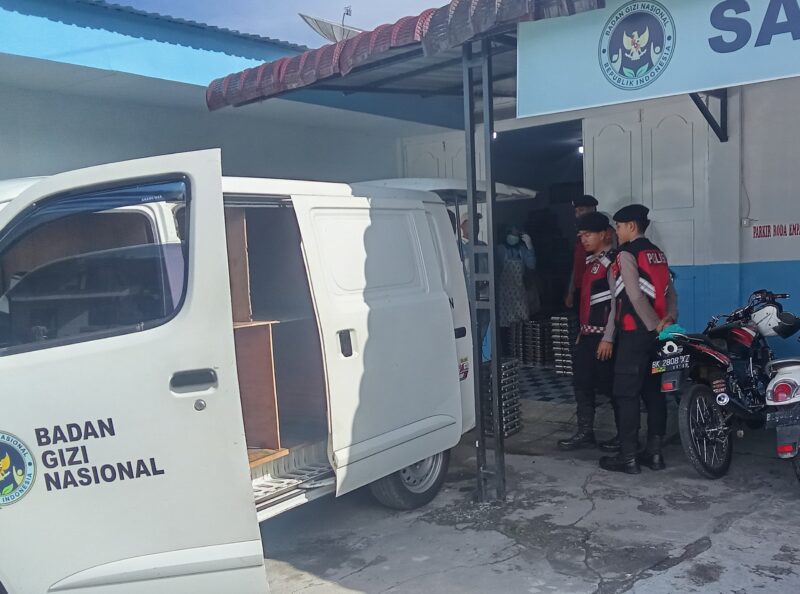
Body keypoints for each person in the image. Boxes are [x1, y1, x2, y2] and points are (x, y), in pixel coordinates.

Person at [599, 205, 678, 474]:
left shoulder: (626, 254)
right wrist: (667, 322)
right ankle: (654, 455)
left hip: (635, 334)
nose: (616, 231)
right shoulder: (657, 253)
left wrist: (653, 325)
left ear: (631, 226)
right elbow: (671, 292)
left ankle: (628, 457)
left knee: (626, 394)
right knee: (654, 393)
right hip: (660, 336)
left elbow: (633, 295)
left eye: (619, 226)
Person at [558, 213, 617, 451]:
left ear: (604, 234)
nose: (583, 239)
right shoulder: (591, 262)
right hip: (587, 336)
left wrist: (609, 337)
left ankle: (624, 437)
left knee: (612, 387)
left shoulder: (612, 263)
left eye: (588, 234)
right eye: (581, 235)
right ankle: (585, 432)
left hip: (604, 339)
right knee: (581, 383)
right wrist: (582, 331)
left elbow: (617, 304)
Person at [496, 225, 535, 341]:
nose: (514, 236)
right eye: (512, 234)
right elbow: (495, 269)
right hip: (504, 294)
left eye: (516, 234)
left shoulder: (522, 250)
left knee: (522, 324)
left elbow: (532, 265)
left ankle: (520, 347)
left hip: (519, 292)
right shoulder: (500, 249)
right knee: (505, 326)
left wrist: (530, 247)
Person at [565, 195, 599, 309]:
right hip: (580, 287)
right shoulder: (579, 236)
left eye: (581, 210)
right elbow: (577, 264)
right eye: (576, 211)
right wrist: (570, 291)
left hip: (596, 288)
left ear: (592, 209)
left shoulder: (604, 232)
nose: (578, 214)